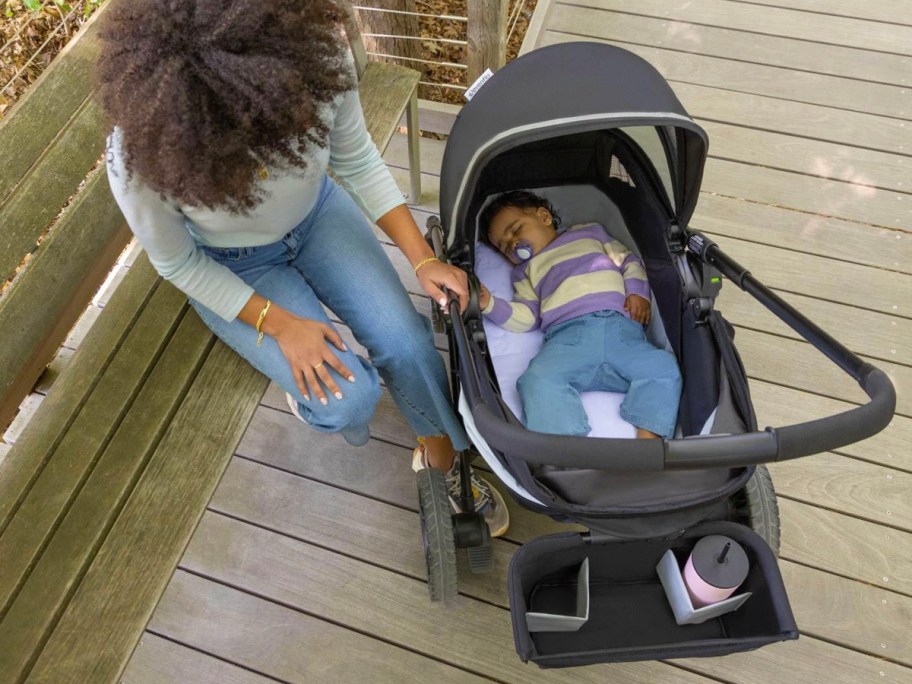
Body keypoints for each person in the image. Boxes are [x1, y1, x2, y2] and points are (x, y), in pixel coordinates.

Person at [96, 0, 508, 536]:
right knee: (349, 401)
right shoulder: (139, 154)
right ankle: (303, 385)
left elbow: (356, 158)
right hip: (232, 266)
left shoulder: (318, 61)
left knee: (407, 344)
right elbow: (179, 263)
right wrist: (283, 326)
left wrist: (423, 258)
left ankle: (441, 451)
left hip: (318, 216)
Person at [478, 191, 681, 439]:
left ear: (544, 217)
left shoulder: (590, 233)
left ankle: (648, 439)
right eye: (504, 246)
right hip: (568, 339)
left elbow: (628, 261)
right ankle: (564, 449)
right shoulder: (525, 271)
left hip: (623, 332)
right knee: (536, 380)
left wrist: (638, 292)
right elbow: (526, 317)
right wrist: (489, 303)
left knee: (663, 368)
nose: (514, 244)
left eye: (516, 229)